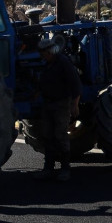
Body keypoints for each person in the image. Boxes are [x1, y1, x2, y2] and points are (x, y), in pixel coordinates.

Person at [35, 33, 82, 182]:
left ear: (50, 52)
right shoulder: (47, 63)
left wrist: (75, 105)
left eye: (44, 54)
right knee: (47, 135)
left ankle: (65, 169)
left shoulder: (63, 62)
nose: (42, 56)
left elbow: (76, 85)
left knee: (60, 135)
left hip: (61, 104)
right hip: (48, 103)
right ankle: (48, 168)